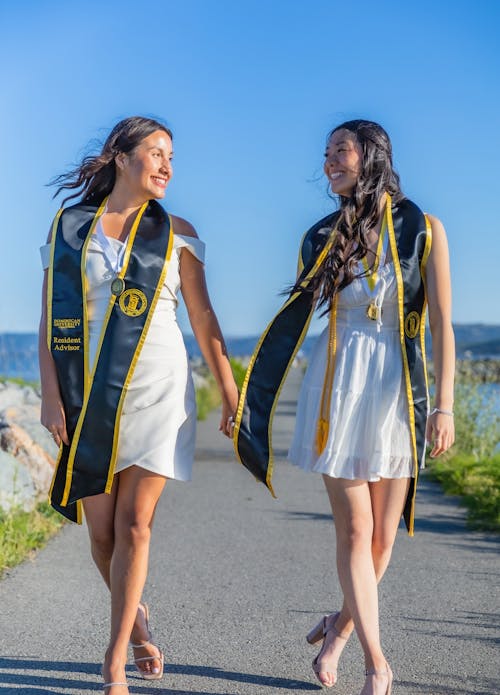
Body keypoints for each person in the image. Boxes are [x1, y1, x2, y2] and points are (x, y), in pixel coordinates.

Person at [233, 119, 455, 694]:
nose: (330, 160)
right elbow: (290, 326)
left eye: (342, 150)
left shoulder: (424, 228)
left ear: (372, 155)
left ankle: (338, 627)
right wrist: (250, 402)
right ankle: (376, 663)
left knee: (383, 539)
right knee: (356, 534)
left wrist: (445, 405)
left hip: (396, 388)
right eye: (326, 152)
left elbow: (442, 327)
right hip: (338, 385)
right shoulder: (321, 236)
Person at [38, 116, 239, 694]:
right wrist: (51, 395)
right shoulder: (71, 229)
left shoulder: (178, 232)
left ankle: (114, 660)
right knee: (101, 533)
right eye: (155, 153)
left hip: (158, 389)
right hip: (89, 397)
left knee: (136, 526)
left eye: (172, 157)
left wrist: (228, 389)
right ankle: (140, 623)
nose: (167, 165)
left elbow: (202, 317)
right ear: (121, 157)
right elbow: (51, 321)